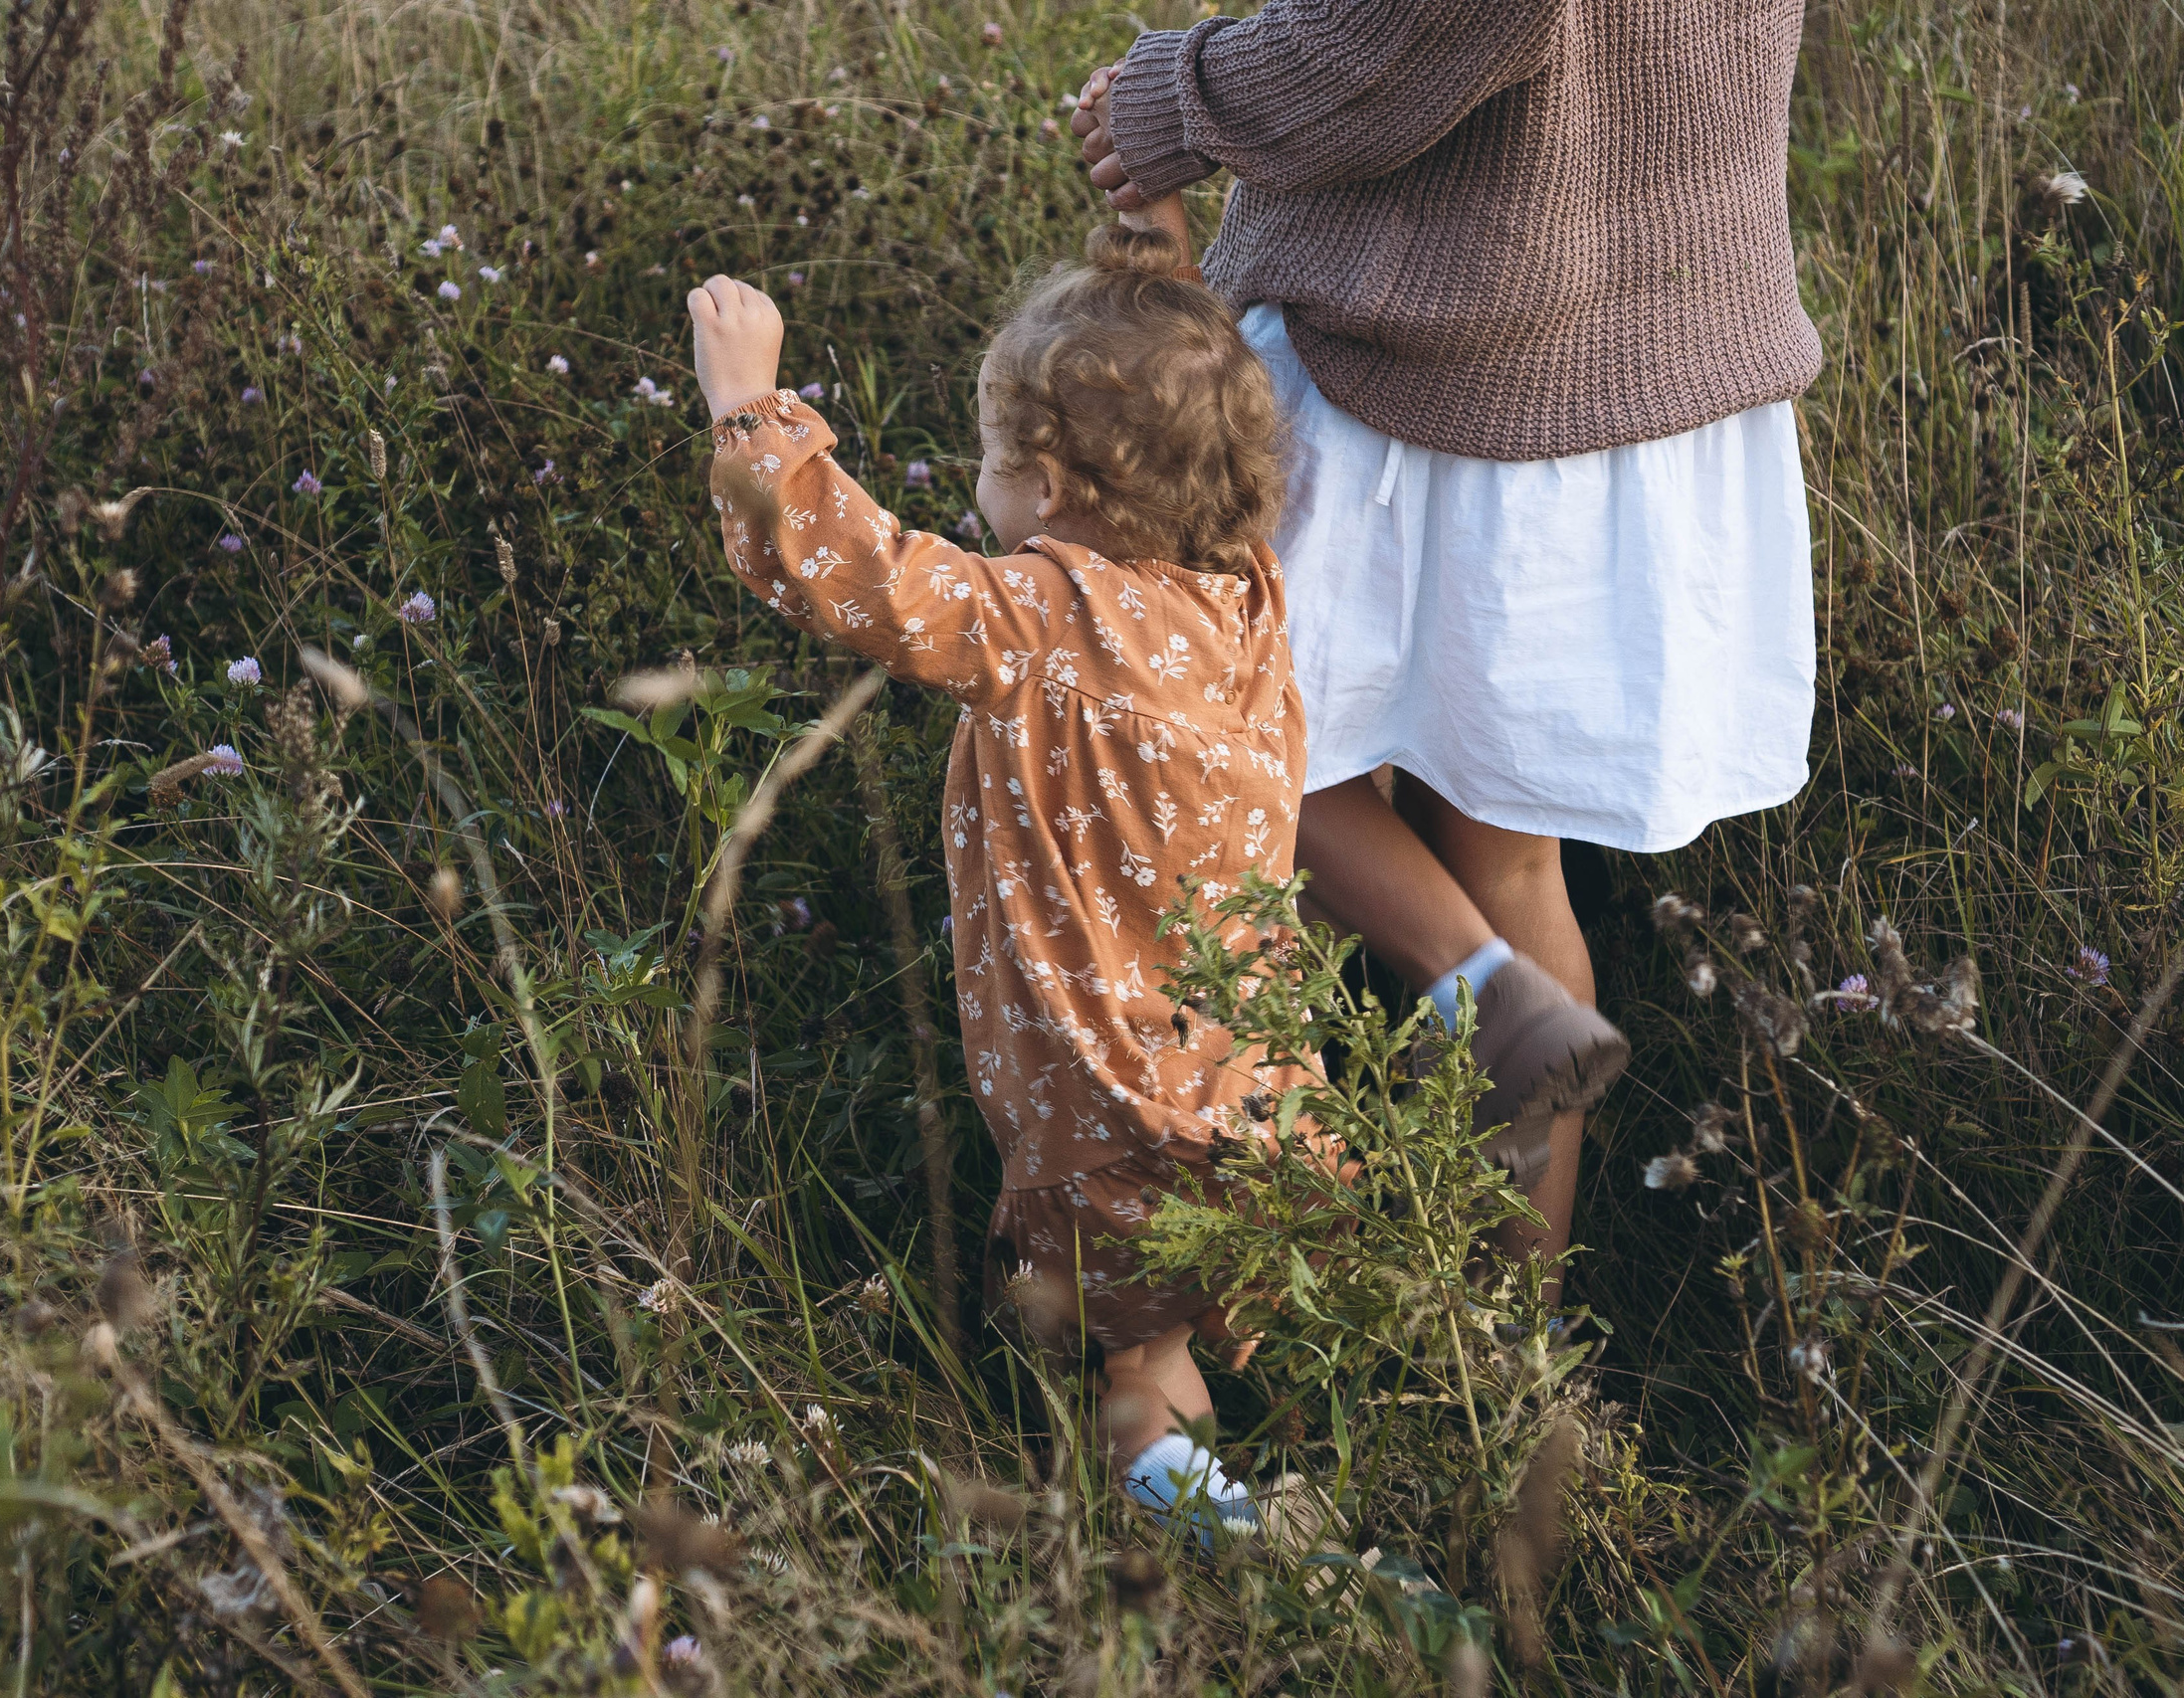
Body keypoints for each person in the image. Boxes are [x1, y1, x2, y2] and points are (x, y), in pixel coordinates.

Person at [1070, 1, 1822, 1289]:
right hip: (1632, 345)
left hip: (1446, 373)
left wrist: (1178, 98)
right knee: (1505, 861)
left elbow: (1414, 34)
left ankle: (1465, 997)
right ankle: (1503, 1353)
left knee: (1193, 711)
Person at [687, 218, 1304, 1542]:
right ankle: (1290, 1480)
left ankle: (1254, 1565)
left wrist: (749, 406)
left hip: (1114, 1111)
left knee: (1136, 1380)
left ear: (1054, 486)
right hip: (1253, 1091)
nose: (977, 487)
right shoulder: (1246, 604)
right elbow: (1185, 413)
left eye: (988, 460)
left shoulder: (1044, 622)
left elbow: (858, 576)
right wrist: (1170, 305)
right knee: (1187, 1327)